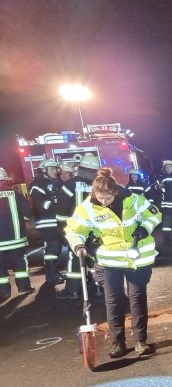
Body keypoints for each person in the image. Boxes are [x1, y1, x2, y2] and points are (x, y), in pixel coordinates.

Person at [65, 168, 162, 358]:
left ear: (115, 192)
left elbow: (155, 215)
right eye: (99, 198)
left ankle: (141, 342)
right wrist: (78, 246)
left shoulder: (134, 200)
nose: (103, 202)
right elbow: (74, 229)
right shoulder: (87, 207)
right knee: (113, 301)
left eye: (107, 198)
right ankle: (118, 343)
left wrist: (144, 228)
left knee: (137, 299)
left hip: (137, 259)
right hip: (109, 261)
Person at [56, 153, 101, 300]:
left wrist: (63, 230)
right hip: (97, 230)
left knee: (75, 259)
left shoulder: (70, 185)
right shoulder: (100, 185)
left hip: (76, 230)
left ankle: (74, 291)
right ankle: (99, 287)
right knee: (97, 258)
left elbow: (61, 210)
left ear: (80, 167)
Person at [29, 159, 66, 285]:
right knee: (52, 249)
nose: (56, 171)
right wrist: (59, 206)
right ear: (43, 170)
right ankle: (51, 276)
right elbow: (40, 203)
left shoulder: (54, 183)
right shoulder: (36, 184)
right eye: (53, 169)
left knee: (56, 249)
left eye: (56, 169)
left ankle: (53, 273)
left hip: (56, 222)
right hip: (46, 223)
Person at [0, 168, 35, 300]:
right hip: (16, 239)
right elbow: (26, 213)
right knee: (20, 263)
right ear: (4, 179)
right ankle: (23, 287)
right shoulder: (15, 194)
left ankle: (3, 292)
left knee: (0, 268)